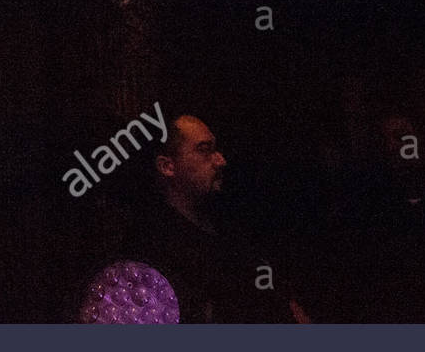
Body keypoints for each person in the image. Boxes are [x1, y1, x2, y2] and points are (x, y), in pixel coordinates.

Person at [86, 113, 311, 323]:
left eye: (216, 149)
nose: (220, 160)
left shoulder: (232, 225)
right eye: (204, 150)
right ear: (167, 166)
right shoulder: (150, 248)